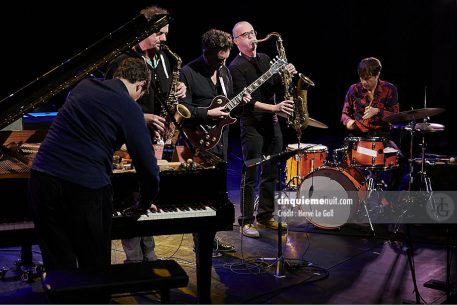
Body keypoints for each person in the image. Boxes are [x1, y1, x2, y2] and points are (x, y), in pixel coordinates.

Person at [28, 58, 160, 299]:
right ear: (140, 85)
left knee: (59, 265)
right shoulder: (130, 107)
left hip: (41, 177)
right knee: (94, 269)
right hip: (83, 187)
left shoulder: (84, 86)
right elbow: (148, 168)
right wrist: (144, 200)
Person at [105, 5, 186, 264]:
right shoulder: (123, 60)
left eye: (166, 33)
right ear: (143, 31)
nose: (164, 39)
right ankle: (133, 258)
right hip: (126, 139)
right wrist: (141, 117)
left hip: (155, 136)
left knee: (148, 196)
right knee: (129, 196)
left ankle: (148, 254)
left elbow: (164, 91)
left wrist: (179, 90)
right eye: (159, 34)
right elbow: (109, 101)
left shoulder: (163, 58)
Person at [179, 28, 251, 255]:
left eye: (226, 58)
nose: (222, 63)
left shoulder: (225, 73)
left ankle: (210, 240)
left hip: (221, 142)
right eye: (218, 58)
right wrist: (207, 114)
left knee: (216, 194)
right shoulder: (188, 73)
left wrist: (240, 103)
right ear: (206, 52)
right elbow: (182, 110)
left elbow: (227, 108)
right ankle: (200, 242)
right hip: (197, 140)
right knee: (199, 195)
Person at [229, 21, 296, 238]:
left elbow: (276, 87)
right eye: (246, 35)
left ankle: (265, 216)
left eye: (253, 33)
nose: (252, 38)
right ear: (236, 41)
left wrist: (287, 73)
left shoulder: (266, 59)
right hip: (251, 125)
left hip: (272, 122)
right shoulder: (235, 67)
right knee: (251, 174)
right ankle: (246, 220)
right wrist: (274, 107)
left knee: (271, 171)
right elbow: (245, 102)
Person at [341, 57, 405, 194]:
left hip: (382, 138)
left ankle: (389, 197)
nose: (364, 82)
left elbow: (396, 116)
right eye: (361, 78)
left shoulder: (390, 89)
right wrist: (349, 122)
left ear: (377, 75)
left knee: (401, 162)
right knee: (344, 164)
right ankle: (355, 196)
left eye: (368, 78)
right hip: (359, 137)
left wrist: (378, 111)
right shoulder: (353, 89)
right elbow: (344, 115)